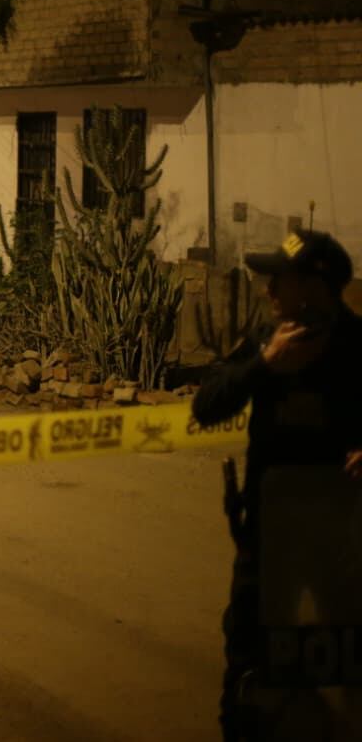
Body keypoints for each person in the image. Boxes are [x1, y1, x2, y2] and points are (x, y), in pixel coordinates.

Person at [191, 229, 362, 742]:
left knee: (343, 660)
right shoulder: (265, 344)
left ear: (313, 287)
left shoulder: (359, 348)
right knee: (250, 657)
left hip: (343, 541)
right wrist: (263, 368)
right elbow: (208, 404)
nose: (267, 291)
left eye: (278, 280)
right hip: (268, 537)